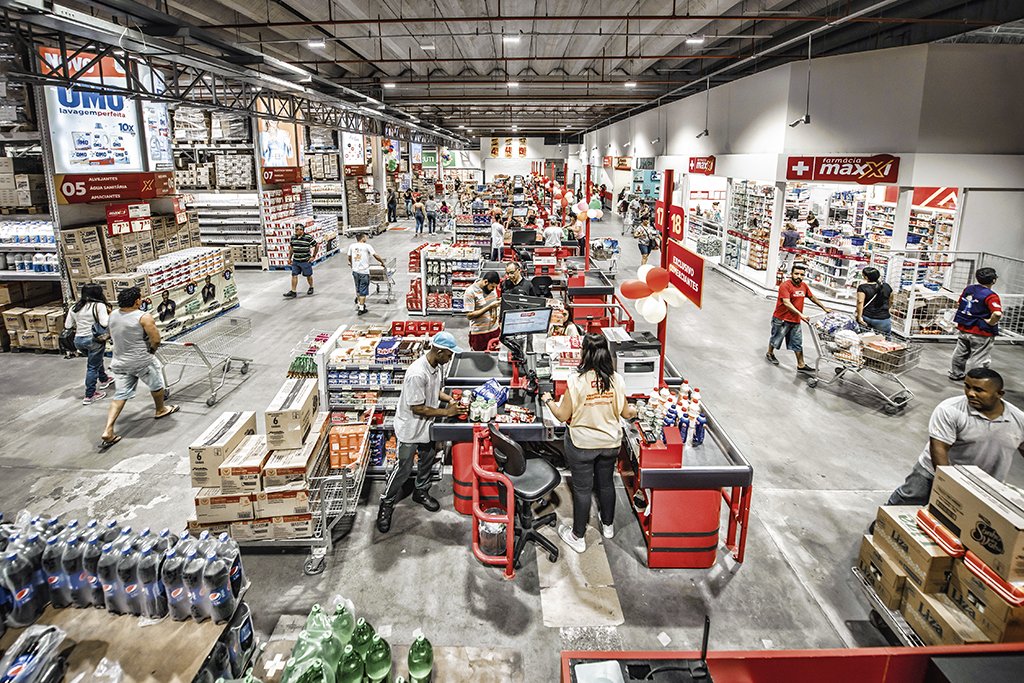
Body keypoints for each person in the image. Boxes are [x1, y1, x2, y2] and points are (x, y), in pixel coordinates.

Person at [542, 334, 637, 553]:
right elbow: (626, 411)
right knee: (606, 484)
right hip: (610, 443)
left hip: (582, 445)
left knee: (582, 490)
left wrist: (547, 400)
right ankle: (608, 525)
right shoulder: (617, 380)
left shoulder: (576, 382)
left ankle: (578, 536)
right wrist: (635, 410)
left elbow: (561, 414)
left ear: (584, 353)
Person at [884, 368, 1024, 507]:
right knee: (907, 500)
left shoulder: (1019, 420)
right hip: (934, 472)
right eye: (967, 386)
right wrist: (947, 484)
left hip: (984, 484)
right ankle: (882, 523)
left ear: (1000, 394)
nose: (970, 394)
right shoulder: (950, 409)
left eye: (978, 390)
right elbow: (939, 448)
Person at [376, 332, 464, 533]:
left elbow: (433, 391)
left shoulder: (436, 366)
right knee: (403, 467)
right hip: (411, 427)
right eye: (449, 354)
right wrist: (447, 411)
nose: (450, 358)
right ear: (439, 351)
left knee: (428, 457)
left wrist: (449, 399)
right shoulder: (417, 373)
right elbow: (417, 407)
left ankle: (421, 490)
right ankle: (386, 503)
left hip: (426, 425)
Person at [99, 287, 179, 448]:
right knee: (157, 384)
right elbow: (156, 340)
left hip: (119, 361)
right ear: (136, 301)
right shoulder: (143, 317)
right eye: (140, 298)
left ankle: (108, 429)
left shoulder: (113, 315)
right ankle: (160, 409)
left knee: (120, 395)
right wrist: (150, 352)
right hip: (141, 360)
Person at [765, 264, 831, 373]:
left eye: (802, 275)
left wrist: (824, 307)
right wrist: (801, 315)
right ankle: (770, 353)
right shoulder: (785, 286)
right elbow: (787, 303)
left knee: (797, 342)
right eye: (796, 274)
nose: (799, 276)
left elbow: (812, 297)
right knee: (776, 339)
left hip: (795, 320)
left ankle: (801, 365)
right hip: (781, 319)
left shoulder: (804, 286)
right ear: (791, 274)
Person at [949, 267, 1002, 382]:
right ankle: (977, 380)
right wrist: (991, 322)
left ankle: (956, 373)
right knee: (979, 357)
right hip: (981, 332)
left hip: (964, 328)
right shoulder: (991, 296)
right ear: (993, 280)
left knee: (960, 352)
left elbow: (961, 302)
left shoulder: (969, 289)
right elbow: (997, 313)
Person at [65, 283, 114, 405]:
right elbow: (104, 323)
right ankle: (90, 395)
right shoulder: (99, 306)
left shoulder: (74, 307)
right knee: (92, 367)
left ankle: (103, 379)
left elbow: (67, 326)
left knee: (95, 360)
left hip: (78, 341)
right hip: (93, 340)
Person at [348, 233, 387, 315]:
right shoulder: (367, 246)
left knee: (358, 288)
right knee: (363, 290)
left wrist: (352, 264)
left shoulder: (352, 246)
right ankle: (361, 308)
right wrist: (382, 262)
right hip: (364, 272)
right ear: (362, 238)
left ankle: (359, 304)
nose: (367, 238)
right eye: (365, 236)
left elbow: (349, 257)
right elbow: (375, 255)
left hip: (355, 271)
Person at [464, 271, 501, 351]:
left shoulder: (491, 290)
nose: (493, 289)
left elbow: (493, 302)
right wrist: (489, 307)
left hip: (494, 330)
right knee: (480, 359)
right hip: (479, 334)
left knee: (495, 357)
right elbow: (469, 315)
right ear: (485, 282)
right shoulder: (470, 292)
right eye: (492, 287)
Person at [282, 225, 318, 298]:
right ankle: (293, 291)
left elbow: (316, 245)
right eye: (296, 229)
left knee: (308, 275)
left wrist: (313, 256)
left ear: (302, 230)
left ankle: (311, 287)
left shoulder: (308, 237)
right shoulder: (293, 237)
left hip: (305, 260)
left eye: (298, 229)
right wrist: (289, 258)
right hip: (296, 260)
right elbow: (292, 248)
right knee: (294, 275)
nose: (296, 231)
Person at [856, 267, 893, 336]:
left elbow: (860, 302)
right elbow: (891, 300)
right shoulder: (886, 286)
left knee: (863, 337)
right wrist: (886, 309)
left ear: (866, 277)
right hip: (882, 318)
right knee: (884, 340)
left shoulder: (862, 287)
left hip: (866, 316)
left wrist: (859, 316)